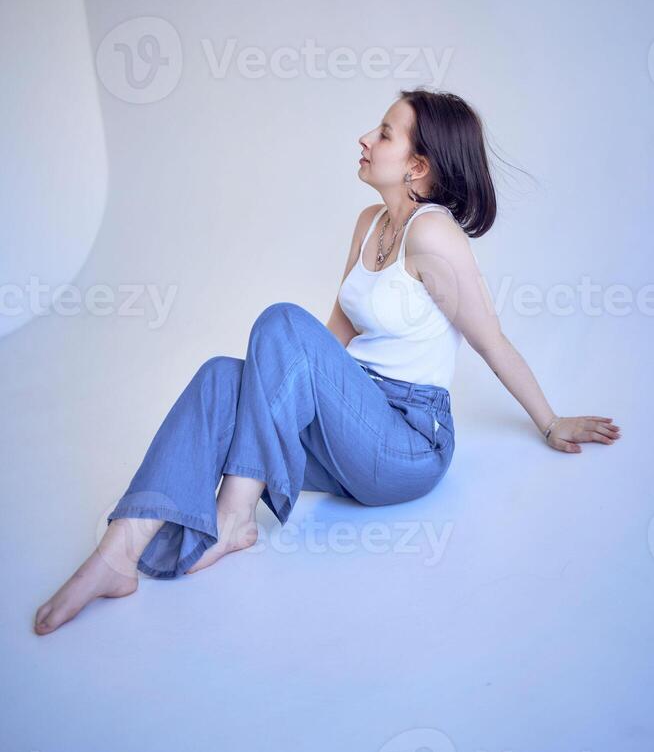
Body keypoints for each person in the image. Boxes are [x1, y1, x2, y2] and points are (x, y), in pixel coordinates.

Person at [33, 87, 620, 635]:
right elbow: (331, 336)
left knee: (283, 321)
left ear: (417, 166)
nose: (365, 138)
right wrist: (268, 400)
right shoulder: (370, 223)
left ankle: (234, 520)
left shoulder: (434, 236)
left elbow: (491, 341)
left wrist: (550, 421)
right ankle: (117, 555)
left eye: (385, 134)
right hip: (349, 427)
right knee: (220, 377)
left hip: (408, 445)